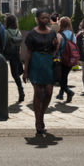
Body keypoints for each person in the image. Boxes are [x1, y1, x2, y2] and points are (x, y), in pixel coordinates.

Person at [21, 11, 61, 139]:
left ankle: (41, 116)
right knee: (38, 92)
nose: (45, 19)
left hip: (48, 62)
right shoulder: (32, 34)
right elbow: (28, 52)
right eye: (43, 17)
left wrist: (56, 46)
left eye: (47, 18)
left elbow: (55, 49)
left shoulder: (52, 32)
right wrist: (25, 70)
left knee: (49, 92)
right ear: (37, 19)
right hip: (36, 63)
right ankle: (38, 122)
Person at [2, 13, 26, 105]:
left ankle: (0, 93)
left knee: (1, 74)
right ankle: (21, 91)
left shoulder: (5, 32)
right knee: (15, 75)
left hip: (6, 54)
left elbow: (4, 44)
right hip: (15, 54)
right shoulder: (18, 32)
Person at [55, 16, 77, 103]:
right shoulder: (73, 34)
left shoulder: (60, 34)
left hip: (62, 59)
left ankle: (69, 92)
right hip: (71, 58)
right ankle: (61, 94)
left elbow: (57, 47)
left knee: (60, 78)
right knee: (64, 76)